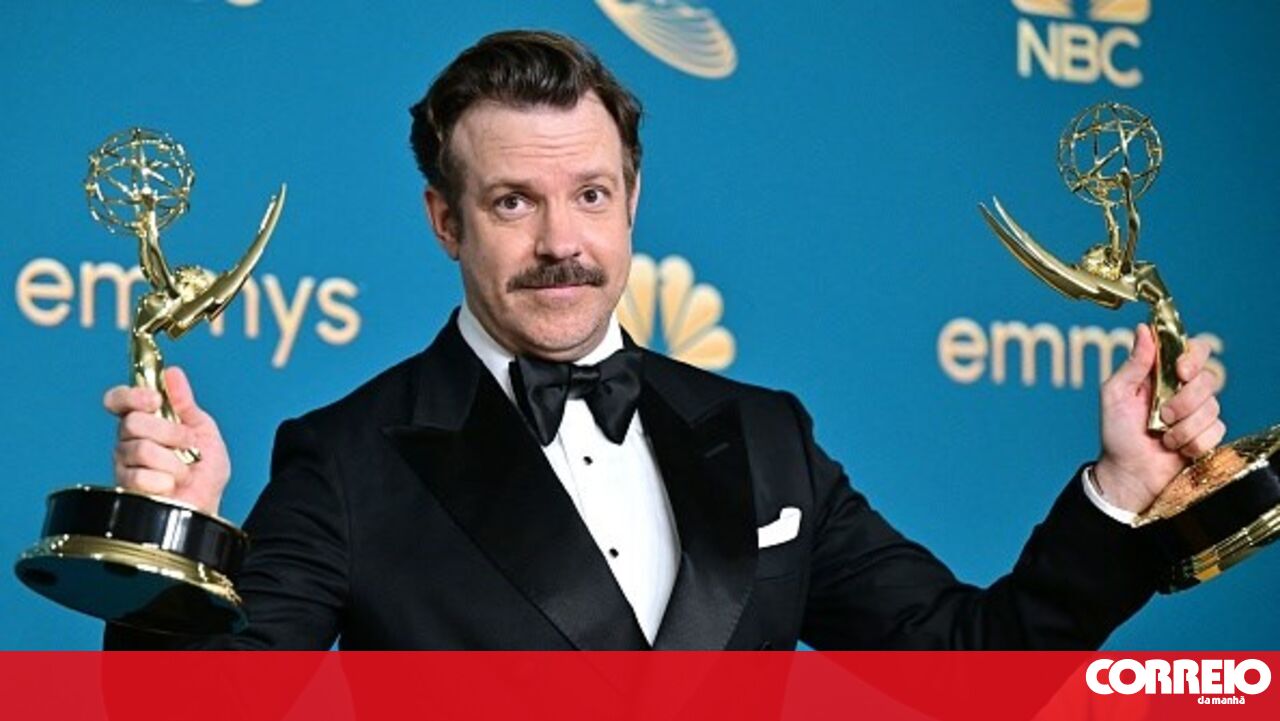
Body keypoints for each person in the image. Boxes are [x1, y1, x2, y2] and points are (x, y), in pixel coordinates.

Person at [103, 30, 1225, 650]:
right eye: (512, 203)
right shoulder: (347, 457)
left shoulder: (767, 436)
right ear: (445, 221)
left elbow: (969, 664)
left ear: (633, 200)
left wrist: (1120, 494)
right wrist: (169, 541)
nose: (561, 243)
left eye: (590, 195)